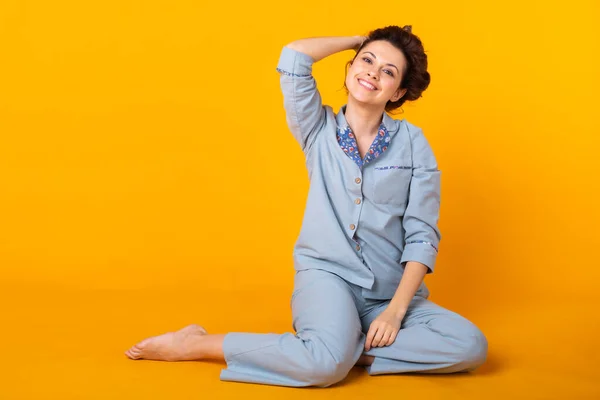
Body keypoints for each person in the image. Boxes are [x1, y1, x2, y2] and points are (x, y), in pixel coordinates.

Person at [125, 25, 488, 387]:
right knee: (323, 368)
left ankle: (340, 347)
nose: (373, 73)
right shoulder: (317, 128)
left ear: (400, 92)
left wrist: (394, 313)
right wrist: (357, 40)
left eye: (388, 72)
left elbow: (422, 234)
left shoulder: (413, 143)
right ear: (349, 69)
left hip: (390, 293)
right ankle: (196, 343)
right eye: (366, 61)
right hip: (327, 280)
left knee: (469, 345)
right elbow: (295, 57)